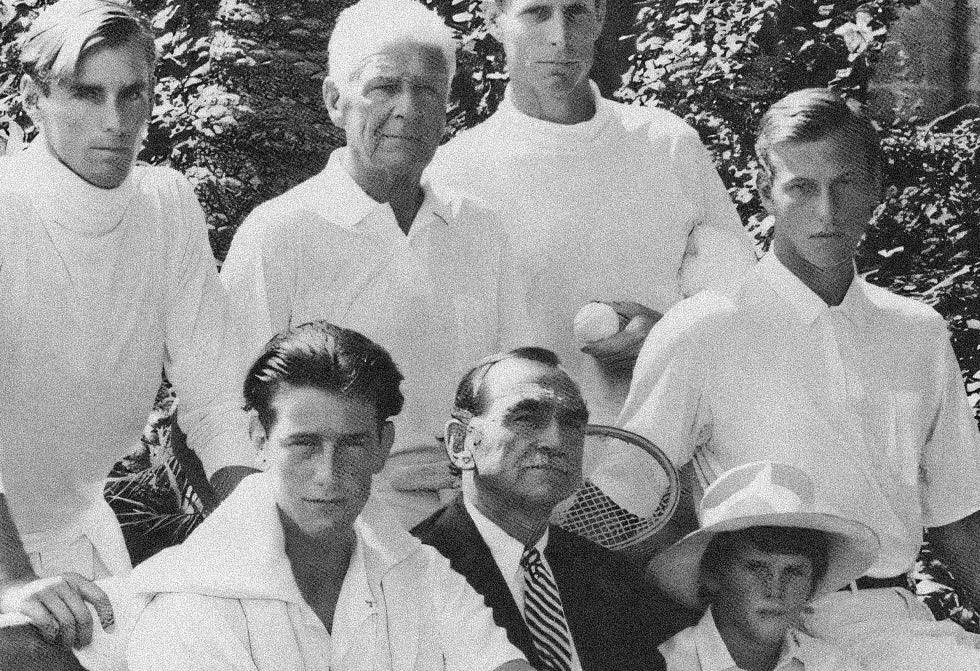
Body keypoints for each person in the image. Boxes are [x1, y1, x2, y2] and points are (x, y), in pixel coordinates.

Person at [620, 88, 980, 669]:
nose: (827, 212)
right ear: (765, 192)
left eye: (846, 184)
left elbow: (958, 517)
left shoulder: (917, 332)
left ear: (876, 188)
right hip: (753, 631)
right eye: (802, 187)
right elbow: (630, 505)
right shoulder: (702, 329)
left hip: (886, 623)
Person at [0, 0, 251, 657]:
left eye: (131, 93)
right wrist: (12, 582)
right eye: (87, 94)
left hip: (81, 551)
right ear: (32, 99)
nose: (115, 122)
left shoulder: (166, 206)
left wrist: (262, 535)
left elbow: (216, 401)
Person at [220, 0, 530, 529]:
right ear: (335, 101)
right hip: (335, 536)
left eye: (427, 89)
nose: (407, 108)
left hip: (475, 531)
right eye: (384, 87)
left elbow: (514, 392)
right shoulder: (279, 234)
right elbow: (232, 416)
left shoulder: (482, 230)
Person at [105, 321, 533, 671]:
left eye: (351, 444)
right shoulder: (188, 601)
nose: (327, 474)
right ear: (259, 438)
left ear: (383, 445)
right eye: (304, 444)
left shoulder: (421, 571)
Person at [425, 0, 757, 426]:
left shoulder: (667, 144)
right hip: (530, 455)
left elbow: (742, 312)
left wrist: (668, 337)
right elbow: (445, 353)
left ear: (600, 17)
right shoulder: (452, 174)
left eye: (576, 11)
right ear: (495, 21)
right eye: (537, 13)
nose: (560, 37)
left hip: (669, 452)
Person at [412, 347, 696, 671]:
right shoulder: (409, 574)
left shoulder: (608, 576)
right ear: (461, 443)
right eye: (525, 418)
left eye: (572, 423)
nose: (555, 440)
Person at [653, 461, 876, 671]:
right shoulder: (666, 664)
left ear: (812, 583)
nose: (775, 589)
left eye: (793, 571)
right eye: (756, 567)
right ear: (712, 574)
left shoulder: (833, 665)